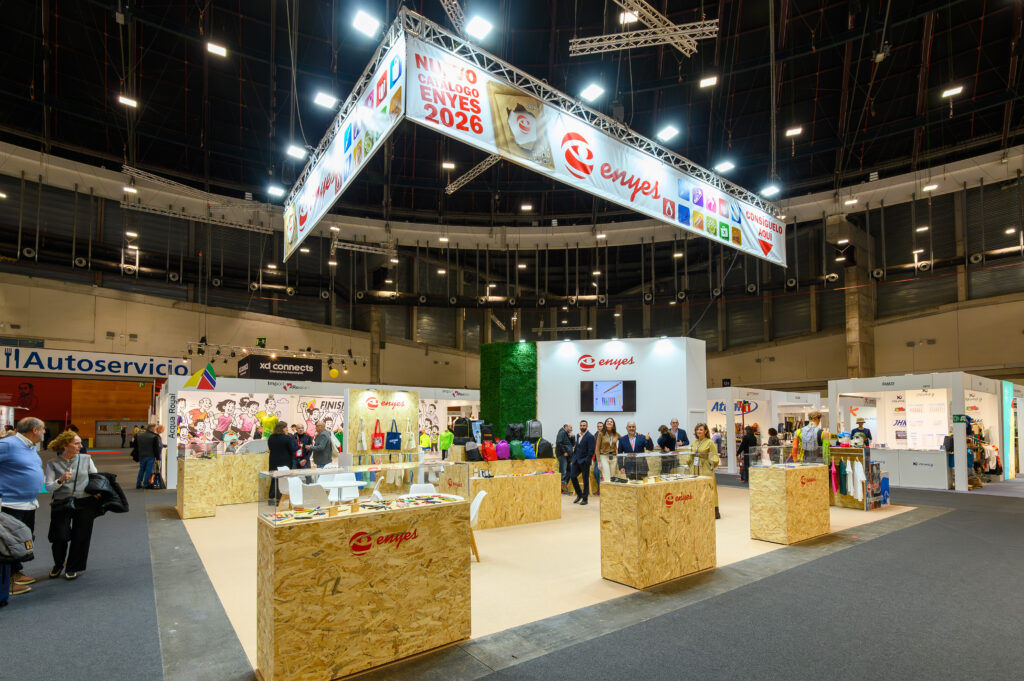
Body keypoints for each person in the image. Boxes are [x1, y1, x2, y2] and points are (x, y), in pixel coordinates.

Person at [44, 430, 100, 580]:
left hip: (84, 502)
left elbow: (95, 477)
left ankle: (73, 566)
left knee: (81, 536)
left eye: (81, 443)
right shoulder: (52, 463)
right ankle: (58, 563)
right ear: (65, 445)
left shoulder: (86, 459)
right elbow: (49, 487)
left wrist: (96, 492)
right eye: (76, 443)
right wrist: (61, 480)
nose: (81, 446)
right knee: (59, 536)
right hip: (61, 502)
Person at [0, 417, 46, 595]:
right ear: (35, 430)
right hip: (10, 503)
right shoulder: (9, 444)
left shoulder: (30, 446)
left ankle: (15, 572)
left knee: (22, 540)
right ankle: (7, 583)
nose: (44, 432)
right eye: (43, 429)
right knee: (8, 542)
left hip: (28, 503)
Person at [690, 423, 721, 519]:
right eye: (697, 429)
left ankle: (713, 511)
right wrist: (687, 464)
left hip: (706, 469)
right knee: (697, 489)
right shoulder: (694, 443)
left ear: (706, 431)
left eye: (701, 429)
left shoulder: (709, 442)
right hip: (695, 468)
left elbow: (715, 455)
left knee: (708, 489)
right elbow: (691, 455)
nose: (698, 431)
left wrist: (713, 463)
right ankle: (698, 509)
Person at [267, 423, 300, 504]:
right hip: (284, 461)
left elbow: (270, 448)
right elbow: (292, 449)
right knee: (282, 479)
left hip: (273, 461)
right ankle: (279, 498)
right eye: (286, 427)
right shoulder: (287, 438)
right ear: (282, 428)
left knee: (274, 479)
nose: (287, 429)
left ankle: (271, 498)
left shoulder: (271, 437)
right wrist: (300, 446)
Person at [570, 420, 595, 505]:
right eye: (581, 425)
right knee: (572, 476)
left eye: (584, 425)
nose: (582, 427)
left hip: (584, 461)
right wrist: (573, 457)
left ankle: (585, 499)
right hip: (576, 461)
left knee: (585, 480)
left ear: (586, 426)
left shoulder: (590, 436)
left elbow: (591, 450)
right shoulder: (578, 435)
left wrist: (587, 460)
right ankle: (579, 494)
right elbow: (577, 447)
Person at [595, 418, 620, 491]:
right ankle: (607, 495)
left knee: (612, 478)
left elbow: (625, 439)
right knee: (606, 478)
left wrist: (636, 434)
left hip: (614, 457)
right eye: (608, 421)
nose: (609, 422)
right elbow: (597, 448)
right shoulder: (601, 433)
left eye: (611, 421)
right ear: (605, 424)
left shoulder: (616, 434)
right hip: (604, 457)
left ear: (613, 424)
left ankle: (611, 494)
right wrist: (598, 462)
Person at [134, 424, 162, 489]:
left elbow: (135, 445)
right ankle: (146, 484)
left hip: (141, 455)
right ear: (152, 429)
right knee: (148, 470)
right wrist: (158, 457)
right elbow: (156, 448)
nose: (155, 429)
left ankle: (138, 484)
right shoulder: (154, 436)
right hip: (151, 456)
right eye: (155, 428)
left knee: (141, 469)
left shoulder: (139, 435)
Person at [555, 423, 575, 493]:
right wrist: (564, 452)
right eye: (570, 427)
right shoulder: (562, 432)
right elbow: (558, 443)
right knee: (563, 472)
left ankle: (564, 486)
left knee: (570, 471)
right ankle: (562, 489)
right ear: (566, 427)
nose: (572, 429)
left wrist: (572, 437)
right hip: (562, 454)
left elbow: (572, 444)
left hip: (568, 455)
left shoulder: (567, 434)